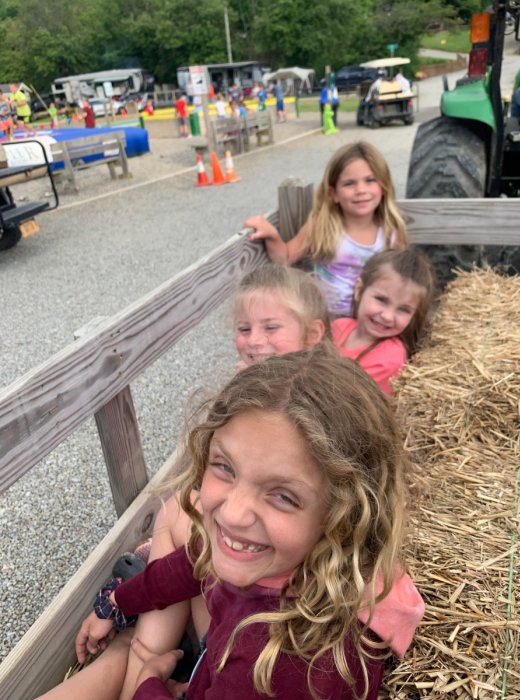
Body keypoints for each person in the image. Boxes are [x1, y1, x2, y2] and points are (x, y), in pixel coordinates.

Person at [42, 348, 422, 700]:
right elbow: (193, 561)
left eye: (283, 495)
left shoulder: (279, 666)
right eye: (225, 467)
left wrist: (147, 685)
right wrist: (115, 602)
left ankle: (130, 652)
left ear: (345, 515)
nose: (233, 513)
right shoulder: (300, 559)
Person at [245, 141, 408, 317]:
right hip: (327, 321)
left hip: (371, 322)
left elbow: (400, 280)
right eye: (349, 184)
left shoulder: (390, 233)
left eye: (370, 180)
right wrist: (272, 235)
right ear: (333, 194)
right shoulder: (322, 225)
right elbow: (285, 256)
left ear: (383, 187)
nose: (361, 190)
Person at [333, 249, 436, 395]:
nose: (388, 316)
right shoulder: (339, 326)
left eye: (404, 309)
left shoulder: (389, 359)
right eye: (381, 300)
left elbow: (339, 400)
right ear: (359, 290)